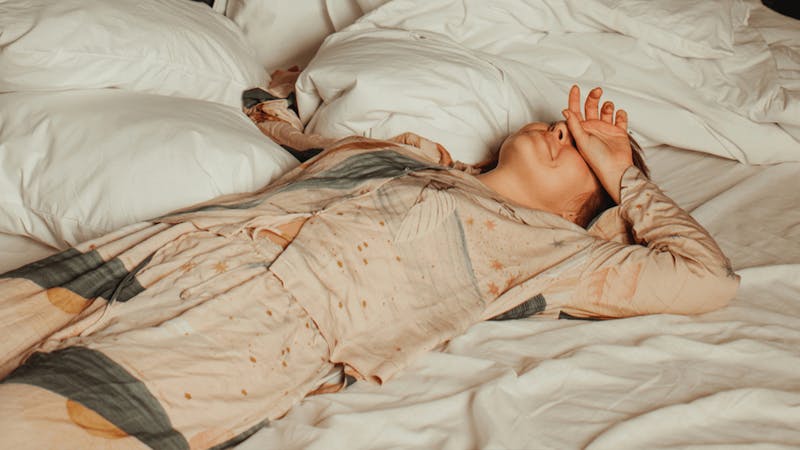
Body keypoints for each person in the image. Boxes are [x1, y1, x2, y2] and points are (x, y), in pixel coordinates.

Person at [0, 84, 738, 449]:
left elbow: (709, 281)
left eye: (580, 148)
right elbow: (293, 131)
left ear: (594, 205)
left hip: (250, 334)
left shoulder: (561, 257)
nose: (561, 130)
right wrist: (273, 100)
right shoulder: (406, 154)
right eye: (565, 124)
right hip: (156, 253)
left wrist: (626, 173)